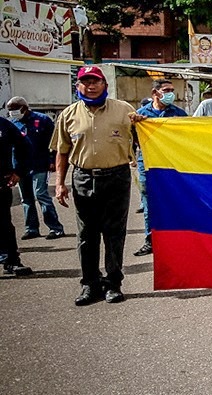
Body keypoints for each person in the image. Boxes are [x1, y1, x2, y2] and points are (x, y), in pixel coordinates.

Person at [51, 65, 143, 305]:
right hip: (82, 178)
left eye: (96, 81)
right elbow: (61, 152)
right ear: (78, 86)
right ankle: (90, 284)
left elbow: (146, 137)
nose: (91, 86)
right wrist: (59, 184)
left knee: (114, 234)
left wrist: (144, 123)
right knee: (86, 235)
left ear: (105, 85)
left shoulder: (125, 110)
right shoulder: (68, 115)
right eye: (86, 82)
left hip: (116, 177)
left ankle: (113, 284)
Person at [131, 79, 187, 257]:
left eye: (172, 90)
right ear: (155, 93)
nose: (171, 93)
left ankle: (176, 239)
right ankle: (151, 240)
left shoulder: (179, 114)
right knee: (149, 203)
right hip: (147, 162)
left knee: (175, 200)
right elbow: (131, 138)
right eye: (167, 90)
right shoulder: (140, 115)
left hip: (173, 163)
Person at [6, 96, 65, 240]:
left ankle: (55, 228)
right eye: (10, 110)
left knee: (41, 194)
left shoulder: (43, 120)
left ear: (24, 108)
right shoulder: (12, 123)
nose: (13, 112)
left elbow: (53, 142)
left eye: (15, 109)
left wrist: (52, 160)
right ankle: (31, 228)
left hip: (40, 164)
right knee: (26, 198)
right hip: (20, 167)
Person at [0, 112, 33, 276]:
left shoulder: (4, 125)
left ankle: (11, 261)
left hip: (1, 184)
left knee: (3, 224)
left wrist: (19, 171)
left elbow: (25, 146)